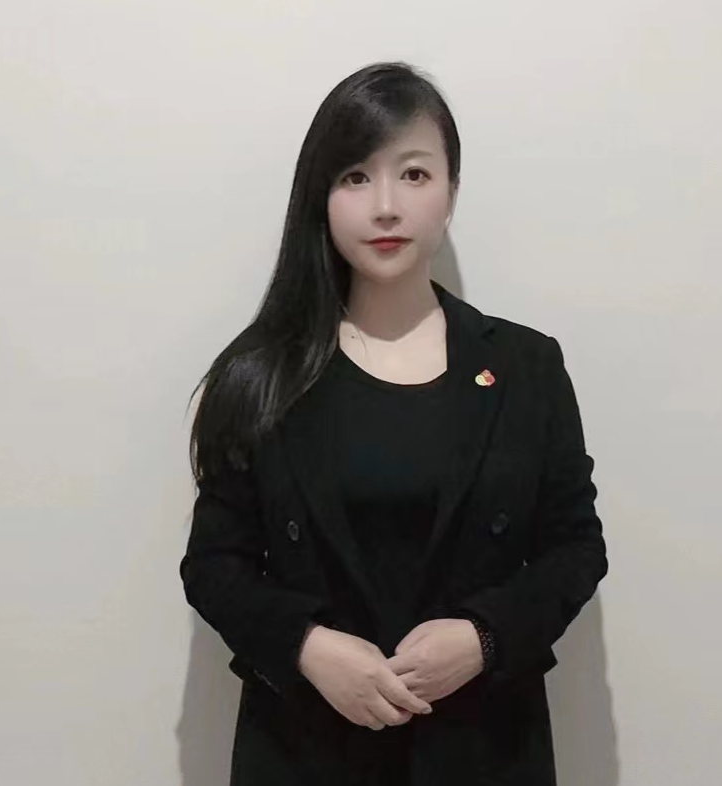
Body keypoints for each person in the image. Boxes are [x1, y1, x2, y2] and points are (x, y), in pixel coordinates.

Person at [180, 61, 608, 786]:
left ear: (451, 192)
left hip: (482, 752)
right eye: (355, 177)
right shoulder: (261, 373)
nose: (386, 207)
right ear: (320, 197)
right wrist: (309, 647)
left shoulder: (526, 367)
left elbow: (576, 547)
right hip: (306, 751)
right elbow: (214, 565)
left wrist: (484, 637)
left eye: (413, 175)